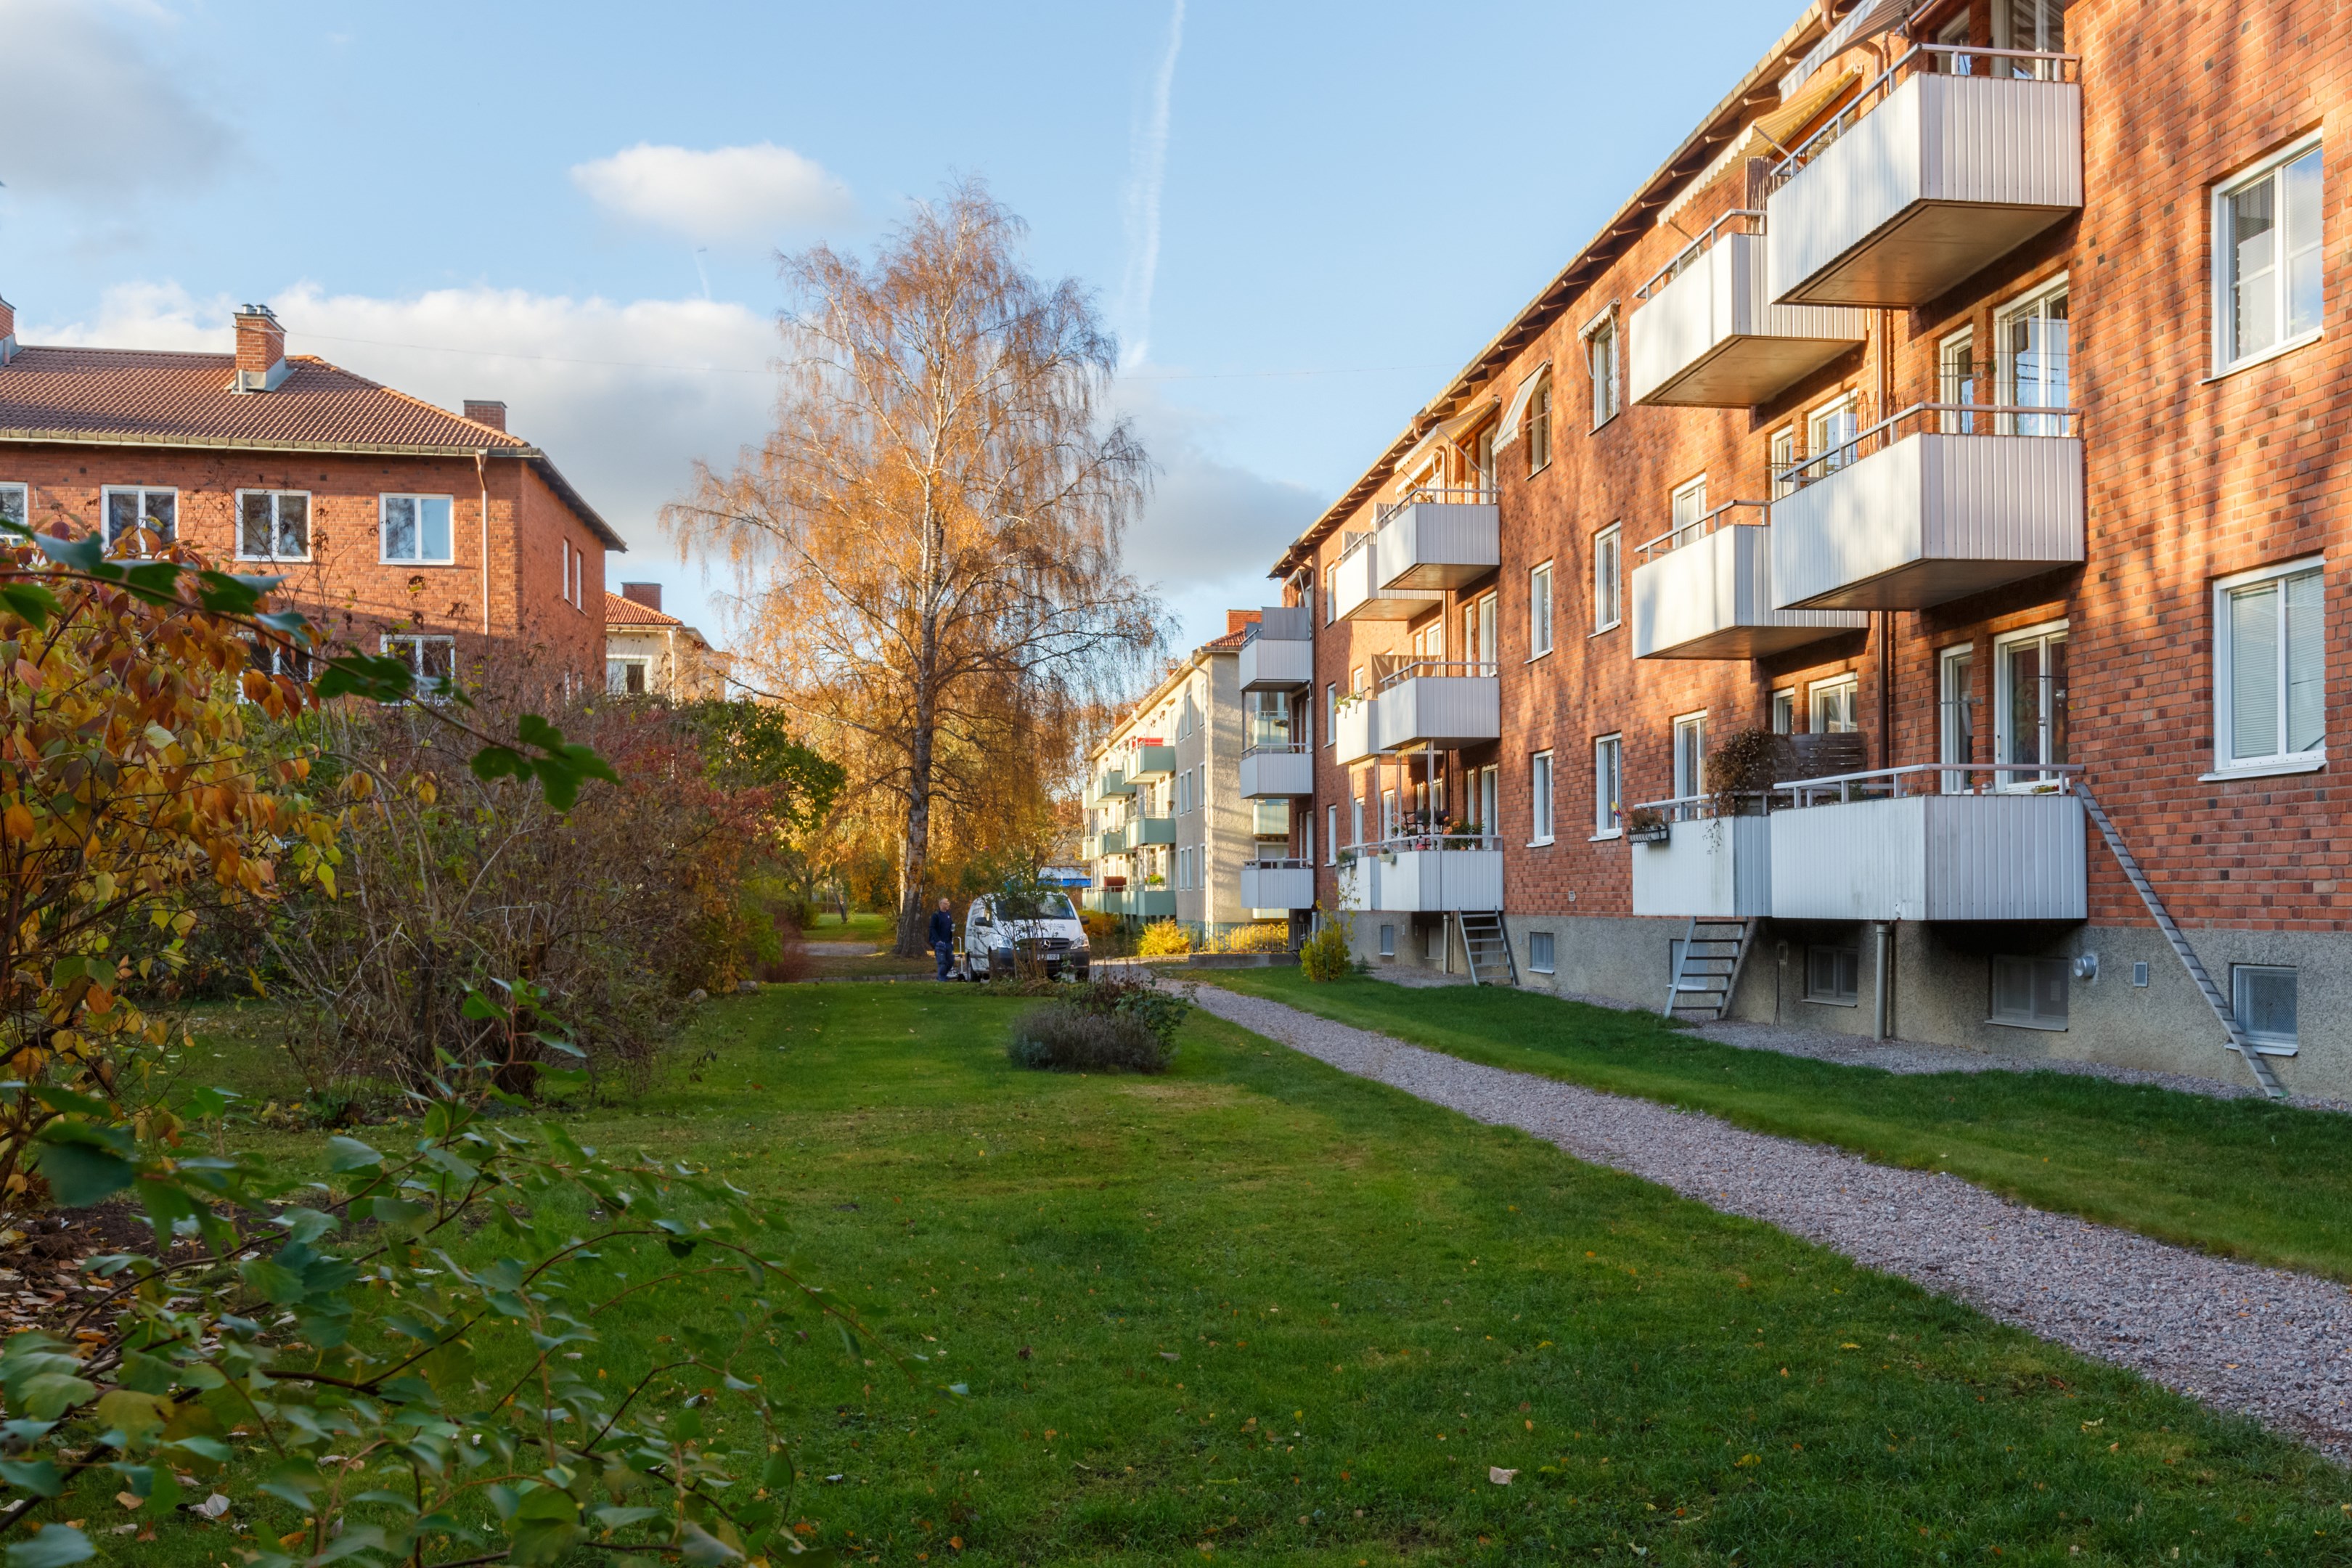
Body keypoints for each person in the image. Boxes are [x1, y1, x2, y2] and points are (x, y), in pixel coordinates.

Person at [929, 897, 957, 981]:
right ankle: (942, 978)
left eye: (948, 903)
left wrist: (952, 927)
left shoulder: (948, 914)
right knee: (942, 962)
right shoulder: (936, 915)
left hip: (948, 942)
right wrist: (938, 940)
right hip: (940, 942)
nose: (948, 905)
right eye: (946, 903)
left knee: (951, 960)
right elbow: (932, 928)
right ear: (941, 904)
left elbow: (949, 925)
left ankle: (942, 975)